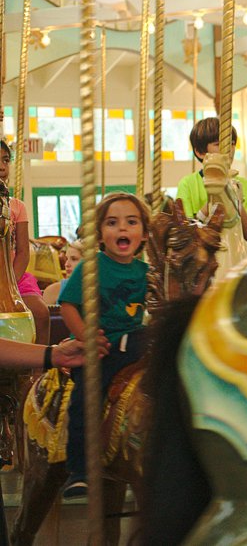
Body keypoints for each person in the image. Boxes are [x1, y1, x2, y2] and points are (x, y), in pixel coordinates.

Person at [58, 192, 150, 499]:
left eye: (131, 222)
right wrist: (84, 337)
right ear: (100, 234)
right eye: (112, 223)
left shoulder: (146, 273)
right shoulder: (90, 267)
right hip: (101, 351)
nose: (122, 229)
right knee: (85, 397)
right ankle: (79, 469)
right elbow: (68, 305)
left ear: (144, 233)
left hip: (135, 347)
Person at [175, 118, 247, 244]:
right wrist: (213, 200)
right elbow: (186, 232)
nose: (228, 149)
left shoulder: (244, 185)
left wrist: (236, 202)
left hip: (235, 250)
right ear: (200, 152)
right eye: (218, 143)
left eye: (231, 143)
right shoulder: (187, 184)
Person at [0, 141, 49, 344]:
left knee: (40, 311)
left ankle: (42, 366)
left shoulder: (17, 206)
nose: (2, 166)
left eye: (5, 160)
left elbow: (23, 251)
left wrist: (9, 285)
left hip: (13, 275)